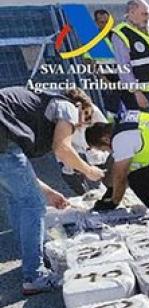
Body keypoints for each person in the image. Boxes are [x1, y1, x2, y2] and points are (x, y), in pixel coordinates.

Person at [0, 87, 104, 295]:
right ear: (79, 106)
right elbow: (62, 148)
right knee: (32, 204)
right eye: (86, 116)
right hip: (3, 141)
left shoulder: (41, 104)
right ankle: (34, 275)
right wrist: (89, 170)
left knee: (18, 199)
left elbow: (20, 172)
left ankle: (30, 257)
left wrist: (49, 193)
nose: (81, 124)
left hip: (4, 144)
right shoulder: (67, 106)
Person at [86, 9, 138, 122]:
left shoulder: (119, 37)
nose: (105, 25)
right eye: (101, 22)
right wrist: (104, 80)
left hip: (123, 76)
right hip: (106, 78)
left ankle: (133, 127)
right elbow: (89, 63)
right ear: (96, 23)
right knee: (111, 110)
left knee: (132, 106)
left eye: (107, 22)